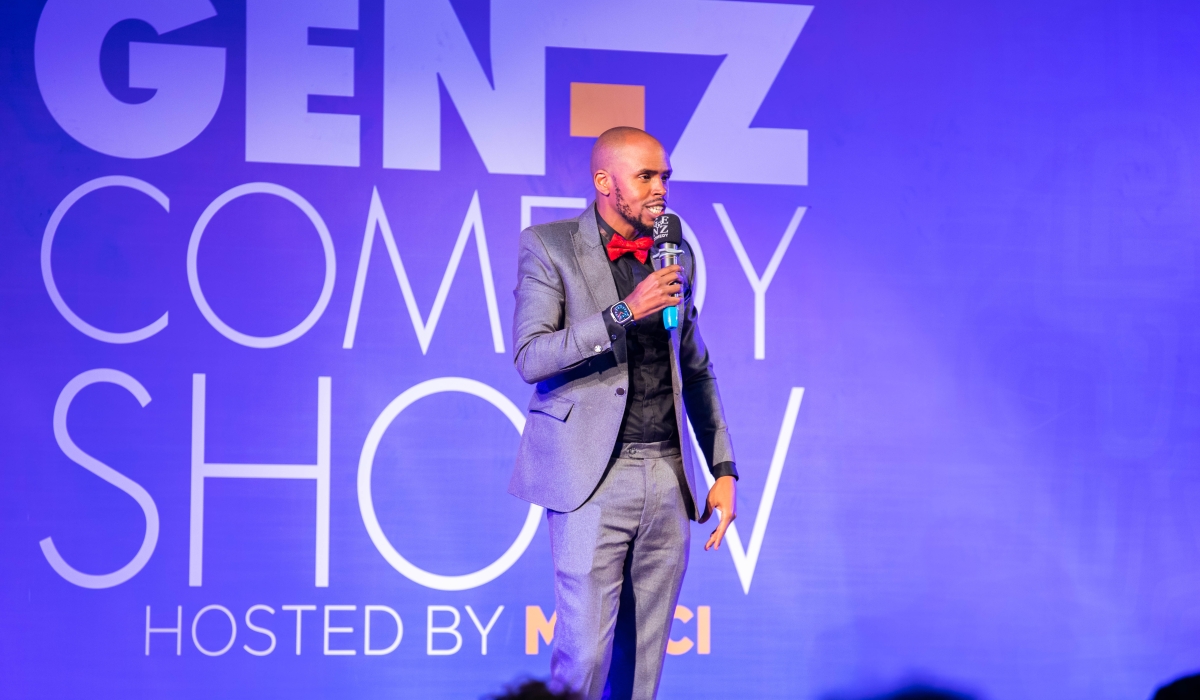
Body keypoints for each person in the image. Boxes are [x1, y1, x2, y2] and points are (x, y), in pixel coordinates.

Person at [509, 126, 738, 700]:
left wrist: (723, 470)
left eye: (665, 176)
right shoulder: (549, 245)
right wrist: (622, 311)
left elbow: (696, 367)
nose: (660, 189)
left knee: (642, 668)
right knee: (583, 657)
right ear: (604, 182)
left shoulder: (673, 251)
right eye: (646, 177)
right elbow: (530, 356)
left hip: (666, 474)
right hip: (591, 476)